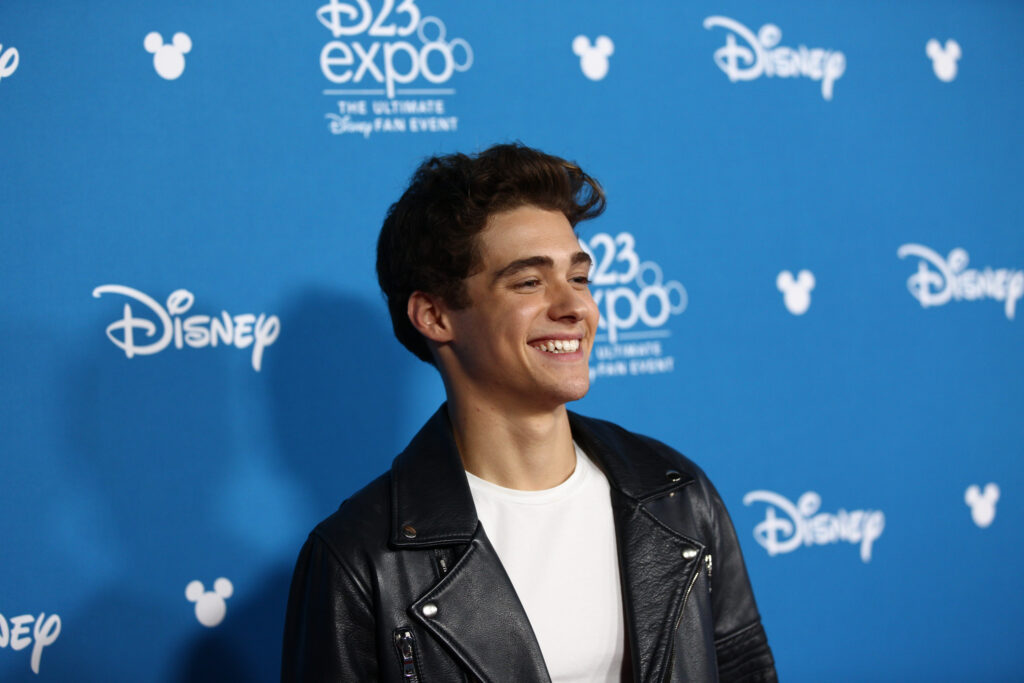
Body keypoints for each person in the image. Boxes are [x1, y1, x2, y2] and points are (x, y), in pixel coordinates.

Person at [281, 143, 776, 682]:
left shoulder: (676, 496)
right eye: (529, 282)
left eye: (579, 278)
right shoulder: (360, 560)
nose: (575, 307)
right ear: (435, 315)